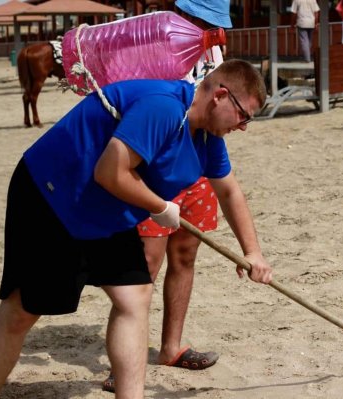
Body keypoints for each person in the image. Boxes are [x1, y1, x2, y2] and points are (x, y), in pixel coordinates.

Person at [0, 59, 272, 399]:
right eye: (244, 115)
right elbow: (110, 172)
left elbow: (229, 191)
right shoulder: (163, 108)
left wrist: (253, 252)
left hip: (109, 209)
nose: (244, 126)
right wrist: (159, 207)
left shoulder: (207, 136)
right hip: (53, 194)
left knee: (134, 297)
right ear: (220, 95)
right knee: (21, 311)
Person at [101, 0, 233, 393]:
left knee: (185, 254)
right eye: (203, 19)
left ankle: (171, 347)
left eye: (213, 22)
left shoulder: (215, 50)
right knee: (146, 262)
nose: (208, 27)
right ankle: (125, 364)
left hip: (198, 162)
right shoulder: (151, 40)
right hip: (152, 166)